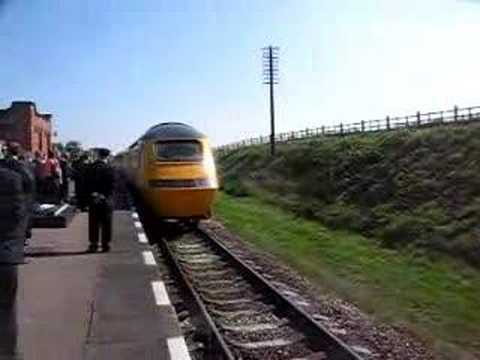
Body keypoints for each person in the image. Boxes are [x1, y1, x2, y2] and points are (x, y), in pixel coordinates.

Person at [85, 148, 115, 252]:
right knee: (107, 222)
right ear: (107, 156)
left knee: (93, 222)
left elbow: (86, 183)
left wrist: (93, 194)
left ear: (98, 155)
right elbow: (113, 185)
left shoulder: (90, 167)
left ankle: (93, 245)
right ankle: (105, 245)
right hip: (106, 199)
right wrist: (104, 195)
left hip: (93, 199)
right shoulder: (110, 168)